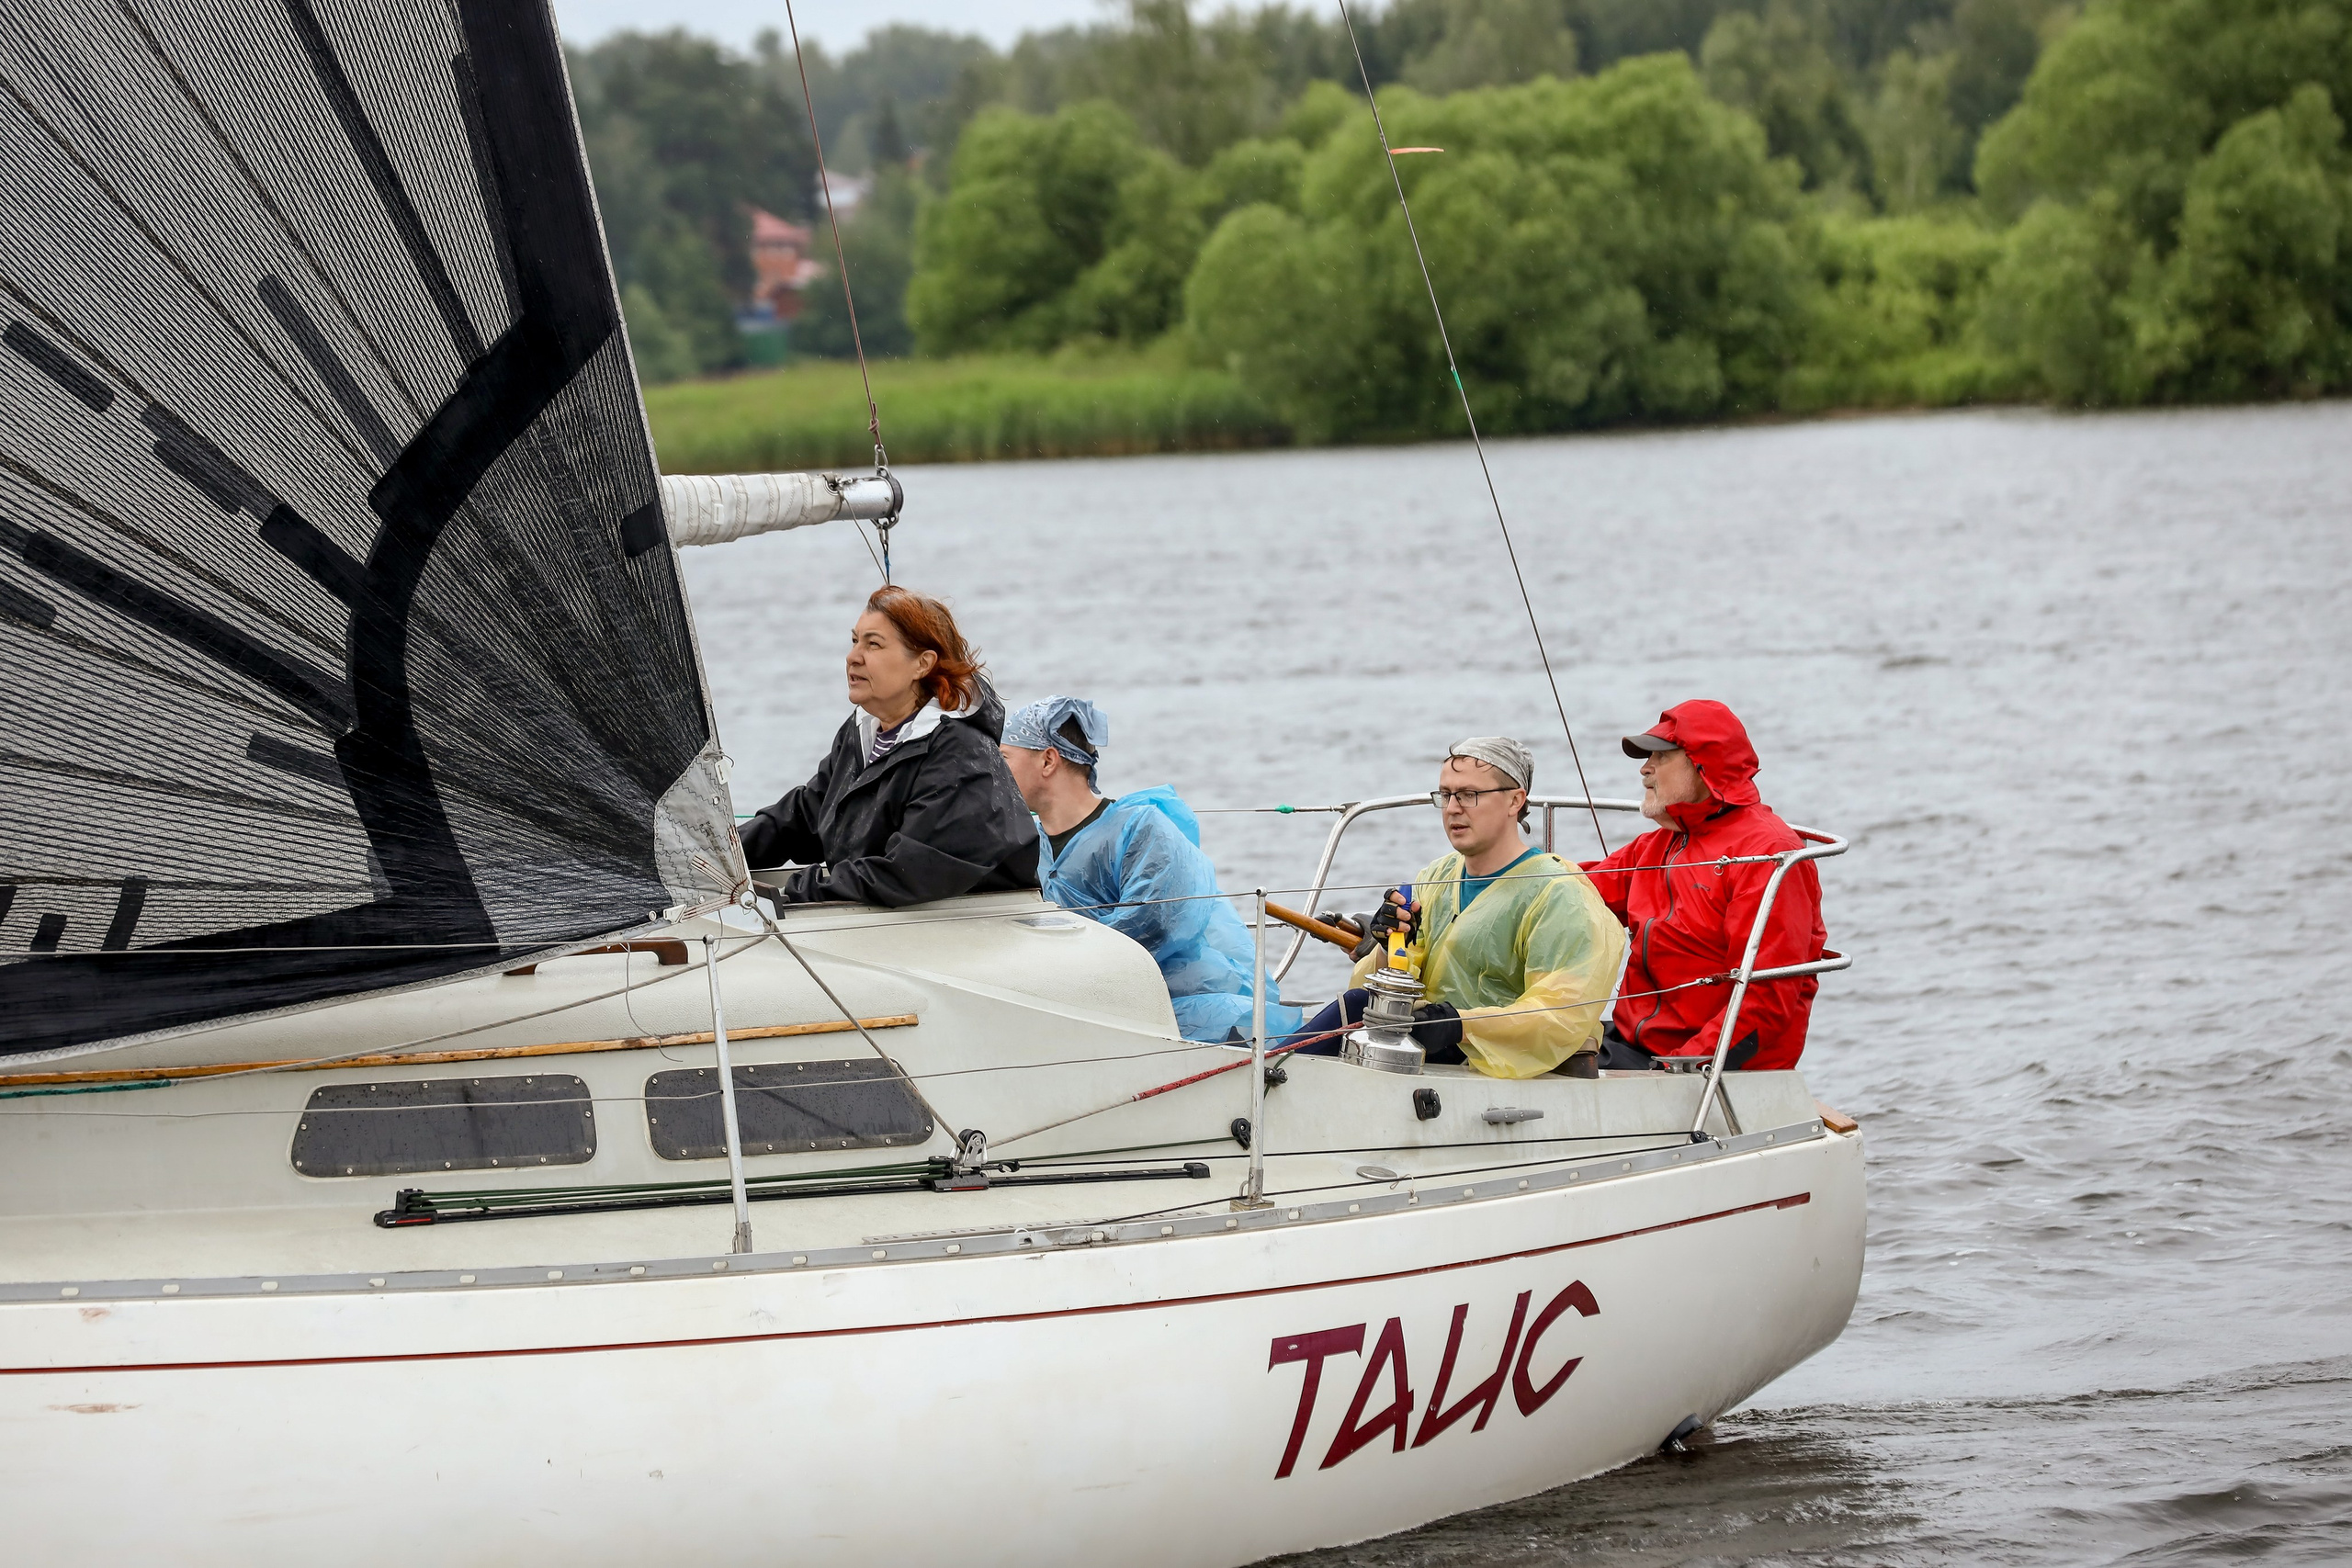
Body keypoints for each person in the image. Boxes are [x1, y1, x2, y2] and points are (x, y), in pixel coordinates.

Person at [1289, 737, 1626, 1078]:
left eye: (1469, 795)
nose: (1452, 808)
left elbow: (1563, 1012)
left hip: (1491, 1067)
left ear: (1515, 801)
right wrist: (1390, 945)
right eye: (1446, 795)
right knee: (1358, 1004)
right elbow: (1382, 989)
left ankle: (1265, 1075)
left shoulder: (1558, 893)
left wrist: (1460, 1025)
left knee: (1348, 1016)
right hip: (1427, 1048)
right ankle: (1266, 1073)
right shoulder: (1436, 877)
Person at [999, 695, 1303, 1043]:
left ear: (1048, 760)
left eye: (1005, 757)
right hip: (1086, 1007)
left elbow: (1155, 927)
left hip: (1185, 1006)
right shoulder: (1026, 843)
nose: (996, 770)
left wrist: (1055, 972)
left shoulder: (1140, 829)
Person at [739, 586, 1039, 906]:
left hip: (971, 930)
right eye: (855, 641)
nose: (853, 657)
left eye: (873, 644)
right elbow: (803, 817)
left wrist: (798, 892)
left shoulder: (961, 751)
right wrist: (719, 855)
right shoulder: (861, 734)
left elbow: (910, 870)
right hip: (887, 925)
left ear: (922, 663)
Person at [1581, 700, 1826, 1071]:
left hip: (1701, 1069)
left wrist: (1680, 1069)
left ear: (1703, 765)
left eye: (1661, 756)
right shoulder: (1661, 843)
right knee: (1493, 1047)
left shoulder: (1766, 854)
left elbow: (1765, 1000)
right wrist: (1495, 871)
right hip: (1635, 1044)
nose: (1645, 769)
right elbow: (1575, 894)